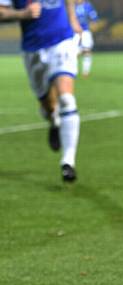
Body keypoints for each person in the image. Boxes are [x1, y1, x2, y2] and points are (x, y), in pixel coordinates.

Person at [0, 0, 82, 182]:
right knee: (48, 106)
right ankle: (54, 122)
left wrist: (73, 20)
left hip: (62, 40)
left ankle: (68, 162)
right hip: (33, 48)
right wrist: (22, 14)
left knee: (67, 99)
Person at [74, 0, 98, 77]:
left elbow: (94, 17)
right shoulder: (71, 6)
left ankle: (86, 71)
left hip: (85, 31)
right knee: (74, 53)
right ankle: (73, 70)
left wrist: (93, 25)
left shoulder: (87, 6)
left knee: (87, 51)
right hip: (74, 32)